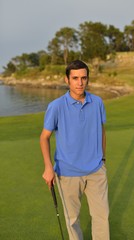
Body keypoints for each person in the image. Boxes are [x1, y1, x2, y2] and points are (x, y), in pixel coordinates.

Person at [40, 60, 110, 240]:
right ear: (67, 80)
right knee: (72, 221)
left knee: (102, 218)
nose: (80, 82)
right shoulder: (56, 106)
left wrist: (102, 159)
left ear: (87, 80)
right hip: (68, 173)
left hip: (96, 171)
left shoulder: (98, 102)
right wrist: (49, 167)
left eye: (84, 78)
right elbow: (44, 137)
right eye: (75, 78)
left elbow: (101, 130)